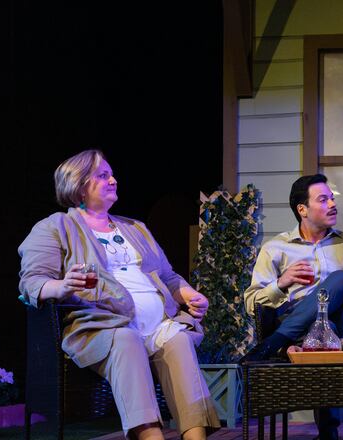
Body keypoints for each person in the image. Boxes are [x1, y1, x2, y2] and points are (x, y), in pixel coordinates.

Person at [18, 150, 220, 440]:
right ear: (79, 184)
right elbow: (32, 282)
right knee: (126, 338)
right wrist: (62, 286)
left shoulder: (135, 228)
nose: (113, 180)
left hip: (159, 323)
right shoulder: (54, 227)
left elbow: (167, 276)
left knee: (178, 340)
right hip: (102, 325)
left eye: (111, 174)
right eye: (102, 175)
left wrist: (188, 294)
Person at [243, 173, 343, 440]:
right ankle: (328, 433)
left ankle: (274, 345)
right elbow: (250, 302)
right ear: (302, 209)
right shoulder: (276, 248)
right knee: (326, 332)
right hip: (310, 327)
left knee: (340, 280)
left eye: (332, 198)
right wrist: (282, 282)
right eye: (323, 199)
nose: (332, 204)